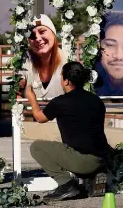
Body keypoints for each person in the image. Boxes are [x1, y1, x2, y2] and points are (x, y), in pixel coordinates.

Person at [26, 61, 110, 201]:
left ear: (66, 81)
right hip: (101, 158)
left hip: (81, 161)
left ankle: (66, 184)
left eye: (61, 77)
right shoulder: (96, 101)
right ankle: (95, 175)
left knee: (37, 147)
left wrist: (32, 98)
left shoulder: (60, 102)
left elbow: (39, 117)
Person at [17, 14, 67, 100]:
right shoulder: (24, 60)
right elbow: (16, 93)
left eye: (42, 31)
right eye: (32, 36)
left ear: (53, 33)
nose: (38, 38)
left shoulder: (67, 60)